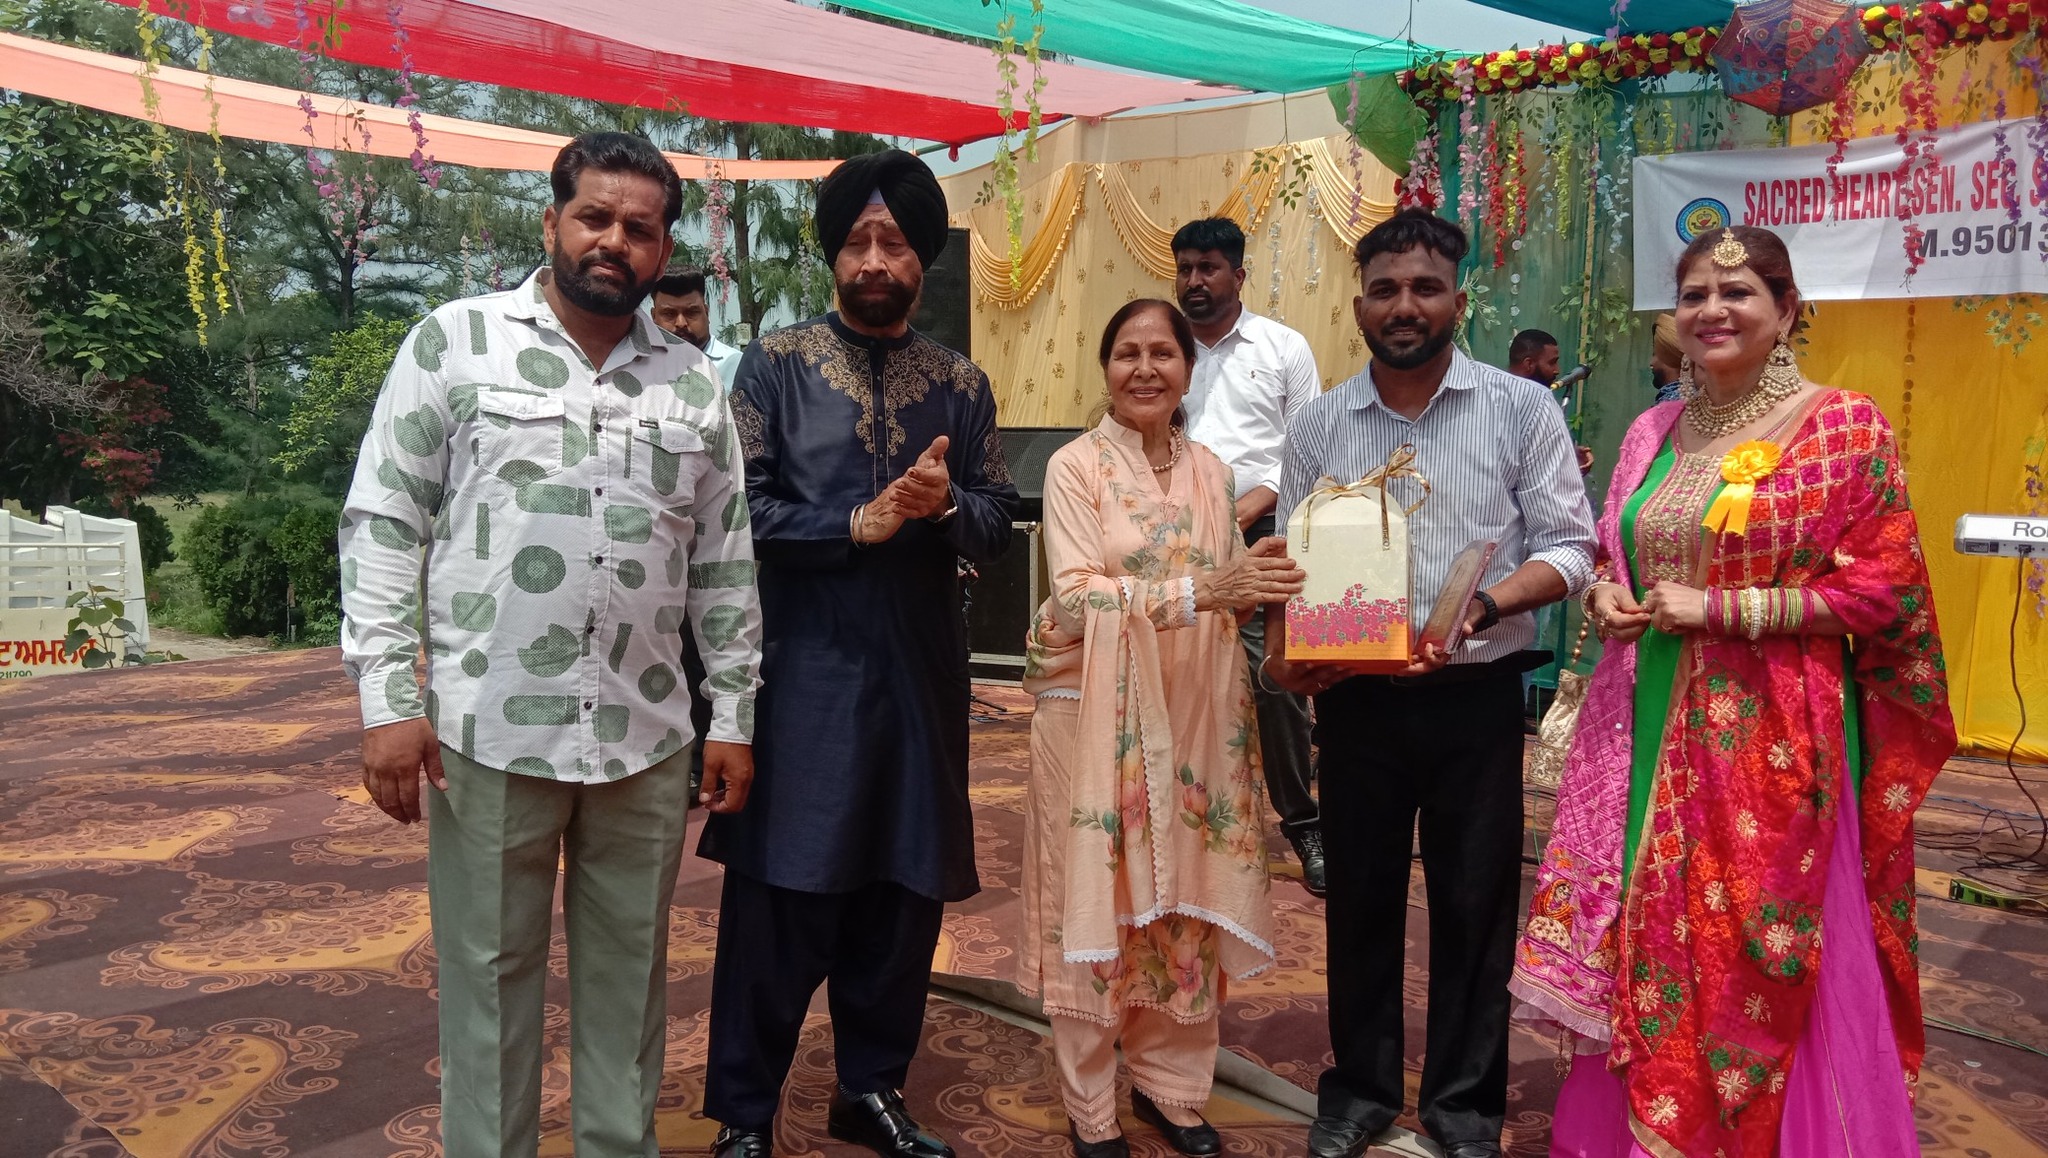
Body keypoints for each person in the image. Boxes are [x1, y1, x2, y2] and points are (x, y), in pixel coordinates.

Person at [339, 131, 763, 1158]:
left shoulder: (693, 386)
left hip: (645, 733)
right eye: (594, 217)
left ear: (664, 250)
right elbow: (385, 521)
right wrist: (388, 701)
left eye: (639, 228)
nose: (614, 241)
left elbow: (723, 561)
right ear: (551, 223)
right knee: (487, 981)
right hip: (488, 731)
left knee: (631, 978)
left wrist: (736, 714)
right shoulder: (455, 343)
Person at [1510, 225, 1955, 1158]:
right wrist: (1605, 594)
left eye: (1739, 292)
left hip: (1766, 738)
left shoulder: (1841, 426)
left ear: (1787, 311)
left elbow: (1886, 593)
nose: (1712, 310)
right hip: (1639, 724)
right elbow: (1614, 550)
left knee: (1751, 945)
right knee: (1642, 932)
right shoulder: (1654, 430)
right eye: (1694, 296)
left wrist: (1724, 609)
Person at [699, 149, 1021, 1158]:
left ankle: (869, 1089)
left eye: (895, 242)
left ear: (923, 258)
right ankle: (744, 1110)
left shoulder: (960, 383)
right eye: (857, 241)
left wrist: (944, 506)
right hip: (803, 674)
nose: (875, 259)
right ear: (833, 255)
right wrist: (855, 522)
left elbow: (996, 521)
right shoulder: (775, 366)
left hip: (919, 679)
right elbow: (738, 515)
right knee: (781, 894)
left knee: (902, 888)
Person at [1262, 209, 1597, 1158]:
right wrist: (1292, 657)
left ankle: (1462, 1107)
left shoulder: (1520, 409)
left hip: (1474, 698)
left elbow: (1572, 548)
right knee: (1359, 898)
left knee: (1474, 904)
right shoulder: (1320, 423)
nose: (1403, 306)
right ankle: (1359, 1092)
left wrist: (1481, 607)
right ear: (1359, 304)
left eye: (1424, 287)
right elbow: (1290, 559)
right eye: (1384, 289)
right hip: (1356, 698)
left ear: (1459, 297)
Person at [1022, 299, 1302, 1158]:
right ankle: (1091, 1104)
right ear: (1105, 368)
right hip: (1092, 718)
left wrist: (1255, 583)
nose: (1144, 369)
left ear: (1189, 368)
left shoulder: (1214, 472)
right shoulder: (1075, 467)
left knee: (1184, 902)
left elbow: (1225, 592)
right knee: (1097, 904)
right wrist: (1202, 592)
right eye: (1127, 353)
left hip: (1193, 716)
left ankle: (1172, 1088)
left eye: (1163, 354)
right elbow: (1076, 596)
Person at [1172, 216, 1326, 895]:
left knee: (1275, 680)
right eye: (1185, 268)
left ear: (1238, 274)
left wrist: (1247, 508)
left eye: (1208, 267)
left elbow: (1310, 449)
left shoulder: (1283, 347)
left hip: (1262, 532)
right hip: (1174, 537)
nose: (1194, 280)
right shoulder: (1166, 347)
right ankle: (1179, 823)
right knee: (1175, 675)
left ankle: (1303, 822)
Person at [651, 265, 746, 386]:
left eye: (691, 312)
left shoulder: (737, 366)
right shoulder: (641, 367)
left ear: (706, 313)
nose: (681, 323)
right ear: (653, 317)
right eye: (669, 314)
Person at [1649, 312, 1684, 403]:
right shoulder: (1702, 400)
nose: (1651, 363)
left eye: (1654, 354)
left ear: (1670, 356)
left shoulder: (1671, 403)